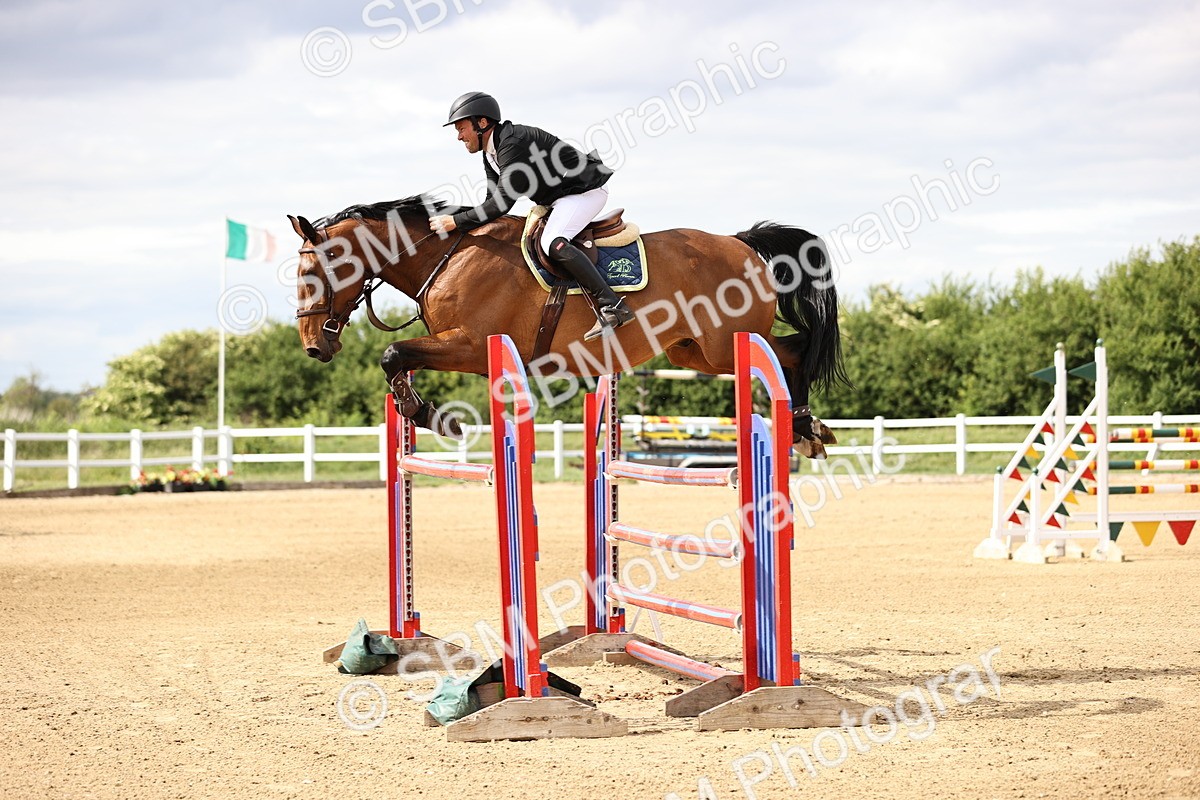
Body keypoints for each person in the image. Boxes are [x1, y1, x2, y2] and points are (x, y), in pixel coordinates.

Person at [428, 91, 635, 341]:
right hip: (560, 198)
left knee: (552, 243)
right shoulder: (491, 152)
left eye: (461, 128)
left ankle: (611, 305)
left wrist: (456, 222)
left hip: (585, 193)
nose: (459, 136)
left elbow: (502, 204)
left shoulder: (511, 144)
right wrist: (456, 217)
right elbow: (490, 201)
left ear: (482, 123)